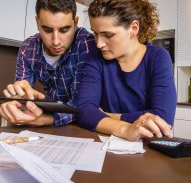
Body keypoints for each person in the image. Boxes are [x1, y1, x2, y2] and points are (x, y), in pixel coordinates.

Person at [76, 0, 177, 141]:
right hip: (106, 144)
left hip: (148, 148)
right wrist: (126, 129)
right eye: (96, 33)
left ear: (133, 29)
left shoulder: (157, 57)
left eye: (108, 35)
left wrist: (106, 115)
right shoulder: (95, 55)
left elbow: (162, 119)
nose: (99, 43)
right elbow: (83, 110)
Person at [0, 0, 96, 127]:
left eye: (64, 30)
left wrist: (47, 119)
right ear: (37, 23)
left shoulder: (87, 44)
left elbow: (83, 103)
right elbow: (23, 90)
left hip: (80, 124)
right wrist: (20, 96)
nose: (56, 41)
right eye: (47, 30)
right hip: (48, 123)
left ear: (76, 23)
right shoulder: (28, 48)